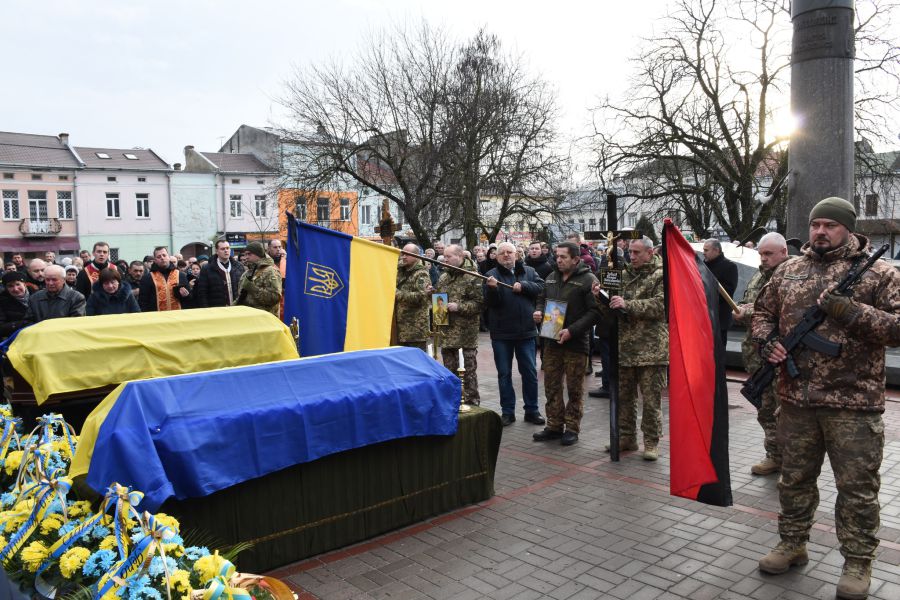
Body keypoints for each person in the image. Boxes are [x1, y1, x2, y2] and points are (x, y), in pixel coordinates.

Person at [752, 197, 900, 599]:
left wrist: (850, 311)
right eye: (815, 224)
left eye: (830, 225)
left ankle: (857, 562)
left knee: (857, 488)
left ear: (848, 229)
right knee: (795, 480)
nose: (820, 231)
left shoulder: (880, 274)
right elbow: (762, 313)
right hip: (796, 399)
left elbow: (898, 327)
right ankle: (792, 543)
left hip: (853, 404)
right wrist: (768, 343)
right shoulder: (788, 270)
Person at [598, 237, 668, 459]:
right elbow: (611, 308)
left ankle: (651, 442)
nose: (632, 256)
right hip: (624, 348)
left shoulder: (661, 275)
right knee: (624, 397)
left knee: (651, 400)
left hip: (651, 350)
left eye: (637, 252)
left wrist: (628, 304)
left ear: (650, 252)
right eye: (630, 252)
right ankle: (626, 438)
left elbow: (661, 305)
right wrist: (600, 296)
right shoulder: (623, 275)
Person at [532, 241, 600, 446]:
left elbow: (595, 312)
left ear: (576, 259)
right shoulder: (551, 277)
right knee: (551, 385)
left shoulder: (588, 280)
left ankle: (571, 428)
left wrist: (572, 330)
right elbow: (541, 298)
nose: (558, 260)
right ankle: (553, 425)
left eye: (563, 257)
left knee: (574, 388)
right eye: (557, 256)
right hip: (551, 341)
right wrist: (538, 311)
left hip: (576, 343)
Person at [732, 232, 789, 476]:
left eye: (768, 254)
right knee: (765, 410)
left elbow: (784, 312)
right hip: (758, 358)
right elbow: (755, 305)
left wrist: (748, 312)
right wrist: (744, 309)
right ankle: (774, 455)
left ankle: (791, 461)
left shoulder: (791, 276)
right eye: (761, 254)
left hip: (781, 358)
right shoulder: (759, 276)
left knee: (784, 412)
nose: (763, 259)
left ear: (784, 253)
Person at [484, 242, 546, 427]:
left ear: (516, 255)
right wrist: (493, 289)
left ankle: (532, 410)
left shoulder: (528, 271)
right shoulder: (490, 275)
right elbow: (490, 303)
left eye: (509, 252)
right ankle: (508, 411)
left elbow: (541, 288)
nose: (506, 256)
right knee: (504, 374)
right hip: (501, 333)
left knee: (529, 372)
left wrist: (524, 286)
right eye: (501, 253)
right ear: (496, 256)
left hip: (526, 331)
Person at [436, 244, 483, 405]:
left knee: (468, 372)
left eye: (449, 257)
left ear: (460, 256)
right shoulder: (444, 277)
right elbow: (438, 300)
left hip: (465, 334)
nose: (445, 259)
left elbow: (480, 304)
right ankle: (452, 402)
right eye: (444, 256)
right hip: (446, 332)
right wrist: (434, 299)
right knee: (449, 371)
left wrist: (459, 307)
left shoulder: (473, 276)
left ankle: (471, 402)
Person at [395, 244, 432, 351]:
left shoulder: (421, 273)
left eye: (407, 254)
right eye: (403, 253)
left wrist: (397, 294)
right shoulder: (400, 269)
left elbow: (421, 296)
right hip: (399, 325)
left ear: (416, 256)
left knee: (416, 360)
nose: (403, 257)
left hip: (415, 327)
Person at [703, 238, 738, 347]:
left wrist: (704, 294)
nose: (703, 253)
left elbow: (728, 292)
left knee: (717, 354)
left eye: (706, 250)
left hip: (719, 319)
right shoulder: (703, 266)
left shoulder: (729, 266)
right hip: (704, 317)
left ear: (716, 250)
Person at [139, 246, 190, 312]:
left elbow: (189, 298)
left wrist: (186, 295)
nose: (162, 258)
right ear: (155, 260)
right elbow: (143, 301)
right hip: (157, 318)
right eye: (159, 257)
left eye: (164, 255)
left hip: (178, 316)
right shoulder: (147, 278)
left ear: (168, 257)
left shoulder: (181, 275)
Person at [195, 239, 244, 308]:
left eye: (227, 248)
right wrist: (206, 309)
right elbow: (202, 292)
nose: (226, 251)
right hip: (217, 308)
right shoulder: (207, 268)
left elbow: (243, 289)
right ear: (217, 251)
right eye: (222, 249)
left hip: (237, 307)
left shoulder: (239, 266)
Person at [237, 242, 282, 316]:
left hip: (265, 319)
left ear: (258, 254)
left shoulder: (271, 271)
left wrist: (253, 288)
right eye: (245, 254)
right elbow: (241, 295)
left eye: (249, 254)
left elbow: (275, 298)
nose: (246, 257)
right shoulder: (246, 273)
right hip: (249, 318)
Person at [0, 271, 30, 338]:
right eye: (10, 286)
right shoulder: (2, 302)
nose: (15, 289)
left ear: (24, 284)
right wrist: (23, 323)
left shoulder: (37, 296)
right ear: (6, 289)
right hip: (17, 338)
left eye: (18, 284)